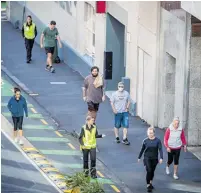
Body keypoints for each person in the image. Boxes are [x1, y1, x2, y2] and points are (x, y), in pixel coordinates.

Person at [138, 127, 163, 192]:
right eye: (149, 133)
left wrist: (161, 157)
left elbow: (160, 149)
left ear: (154, 133)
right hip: (147, 158)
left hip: (154, 158)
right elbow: (142, 149)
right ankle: (148, 185)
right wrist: (139, 157)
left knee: (152, 171)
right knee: (149, 170)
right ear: (147, 133)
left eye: (151, 133)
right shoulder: (145, 141)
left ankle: (151, 183)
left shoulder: (158, 140)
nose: (150, 134)